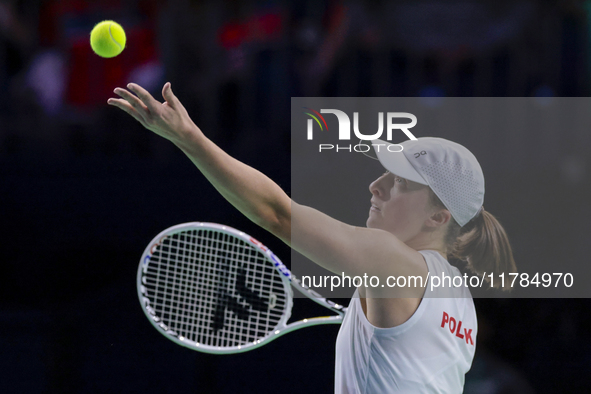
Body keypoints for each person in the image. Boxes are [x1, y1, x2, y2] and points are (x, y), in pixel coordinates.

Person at [108, 82, 517, 393]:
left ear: (438, 216)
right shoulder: (459, 302)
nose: (376, 186)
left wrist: (189, 139)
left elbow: (277, 214)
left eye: (400, 183)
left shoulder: (391, 261)